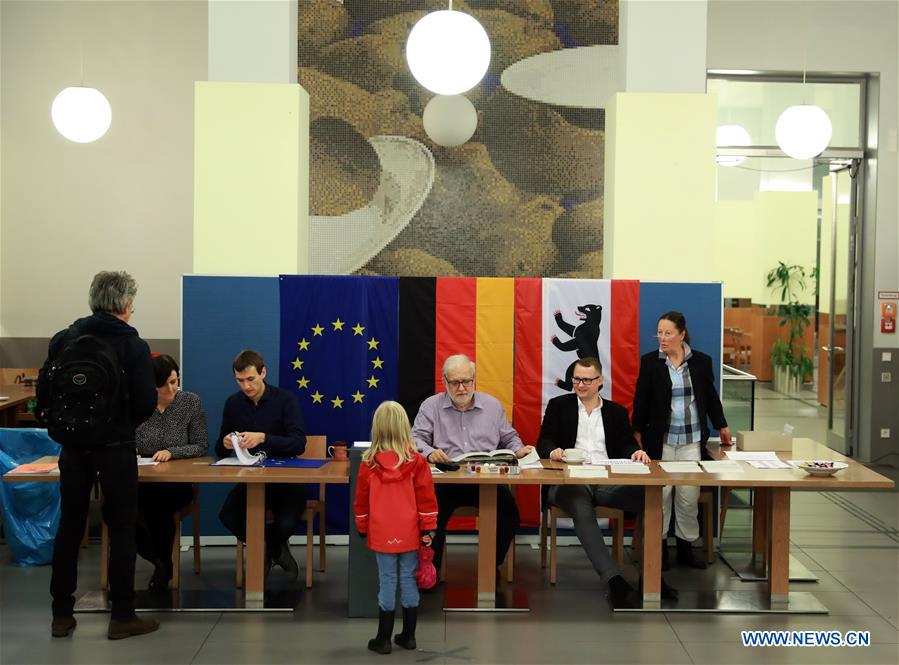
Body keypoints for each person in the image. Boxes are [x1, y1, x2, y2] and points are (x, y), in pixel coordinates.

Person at [37, 270, 159, 639]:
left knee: (70, 526)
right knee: (121, 528)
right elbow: (146, 402)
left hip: (73, 448)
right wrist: (122, 424)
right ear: (125, 305)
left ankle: (61, 614)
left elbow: (44, 392)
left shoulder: (64, 339)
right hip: (116, 448)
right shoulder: (133, 346)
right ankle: (122, 616)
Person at [536, 357, 677, 602]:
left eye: (586, 380)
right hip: (568, 481)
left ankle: (651, 575)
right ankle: (614, 580)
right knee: (580, 504)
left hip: (605, 480)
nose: (580, 385)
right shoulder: (559, 405)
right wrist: (552, 451)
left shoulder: (616, 412)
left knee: (651, 498)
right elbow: (544, 441)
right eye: (576, 380)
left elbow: (627, 444)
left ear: (600, 381)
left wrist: (635, 452)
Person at [412, 354, 534, 576]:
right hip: (446, 480)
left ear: (474, 379)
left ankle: (491, 565)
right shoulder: (431, 406)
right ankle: (430, 572)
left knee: (510, 515)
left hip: (486, 479)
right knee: (430, 518)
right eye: (455, 382)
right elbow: (416, 439)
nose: (461, 388)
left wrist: (518, 449)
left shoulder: (492, 405)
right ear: (444, 381)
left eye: (466, 381)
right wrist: (430, 453)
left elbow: (509, 437)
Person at [632, 311, 731, 570]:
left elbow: (710, 397)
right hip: (661, 440)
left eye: (668, 333)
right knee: (661, 495)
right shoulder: (651, 362)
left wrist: (721, 424)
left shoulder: (700, 362)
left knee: (688, 495)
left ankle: (686, 548)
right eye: (659, 333)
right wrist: (637, 431)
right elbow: (641, 399)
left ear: (682, 334)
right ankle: (660, 548)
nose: (662, 338)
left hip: (691, 440)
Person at [354, 401, 438, 655]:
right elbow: (427, 500)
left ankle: (383, 639)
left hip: (381, 533)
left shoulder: (368, 463)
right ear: (405, 427)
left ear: (376, 429)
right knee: (409, 580)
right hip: (410, 533)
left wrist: (362, 526)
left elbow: (361, 502)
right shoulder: (417, 462)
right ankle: (409, 636)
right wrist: (428, 529)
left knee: (387, 581)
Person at [215, 349, 307, 579]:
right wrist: (226, 442)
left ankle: (268, 548)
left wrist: (264, 438)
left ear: (263, 372)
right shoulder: (233, 404)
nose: (246, 386)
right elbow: (219, 449)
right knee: (228, 516)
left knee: (287, 523)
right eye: (240, 380)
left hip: (286, 480)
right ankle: (272, 548)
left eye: (251, 379)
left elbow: (298, 443)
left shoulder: (285, 400)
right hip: (251, 481)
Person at [135, 353, 208, 591]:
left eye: (175, 381)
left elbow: (201, 445)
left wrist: (172, 452)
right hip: (140, 480)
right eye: (164, 384)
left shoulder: (190, 402)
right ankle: (160, 561)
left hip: (175, 482)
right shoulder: (137, 404)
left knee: (158, 507)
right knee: (115, 510)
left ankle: (162, 564)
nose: (172, 388)